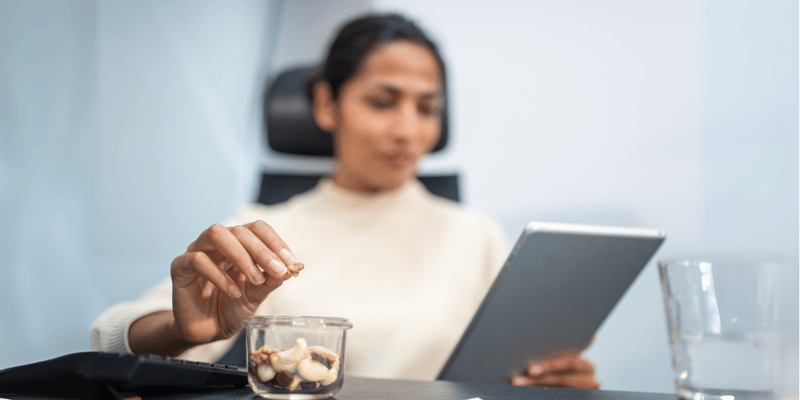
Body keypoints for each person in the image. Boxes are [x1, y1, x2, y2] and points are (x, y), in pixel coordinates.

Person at [91, 13, 599, 389]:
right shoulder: (263, 231)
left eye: (428, 108)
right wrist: (180, 329)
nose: (407, 131)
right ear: (325, 104)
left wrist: (551, 383)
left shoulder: (475, 234)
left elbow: (505, 377)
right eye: (382, 101)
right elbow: (111, 337)